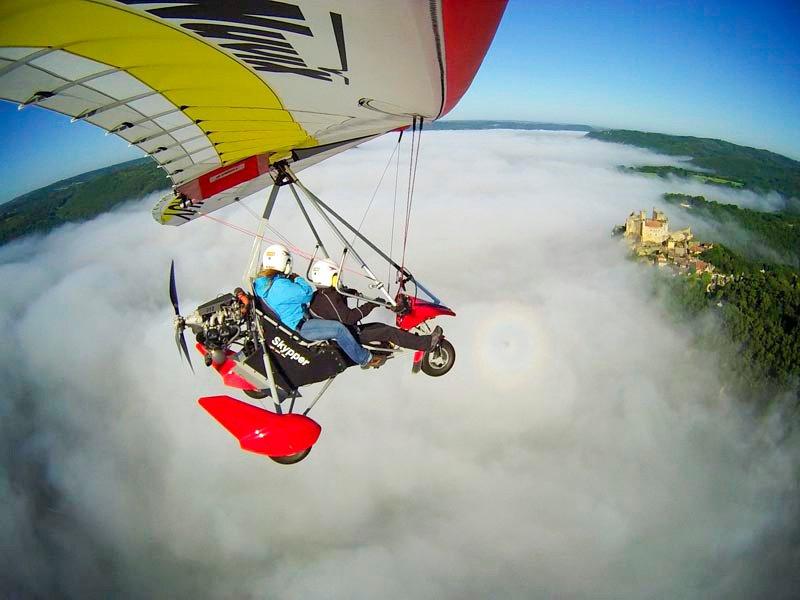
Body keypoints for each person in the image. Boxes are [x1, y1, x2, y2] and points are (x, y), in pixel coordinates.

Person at [253, 244, 382, 368]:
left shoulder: (261, 284)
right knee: (339, 329)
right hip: (301, 327)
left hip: (293, 322)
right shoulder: (281, 286)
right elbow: (307, 293)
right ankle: (365, 359)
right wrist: (297, 278)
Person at [307, 259, 443, 352]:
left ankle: (414, 340)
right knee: (389, 332)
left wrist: (348, 292)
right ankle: (427, 344)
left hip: (347, 333)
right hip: (347, 339)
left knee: (380, 326)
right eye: (335, 276)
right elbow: (348, 318)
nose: (338, 279)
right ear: (329, 277)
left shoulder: (321, 294)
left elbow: (337, 301)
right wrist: (371, 305)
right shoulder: (328, 298)